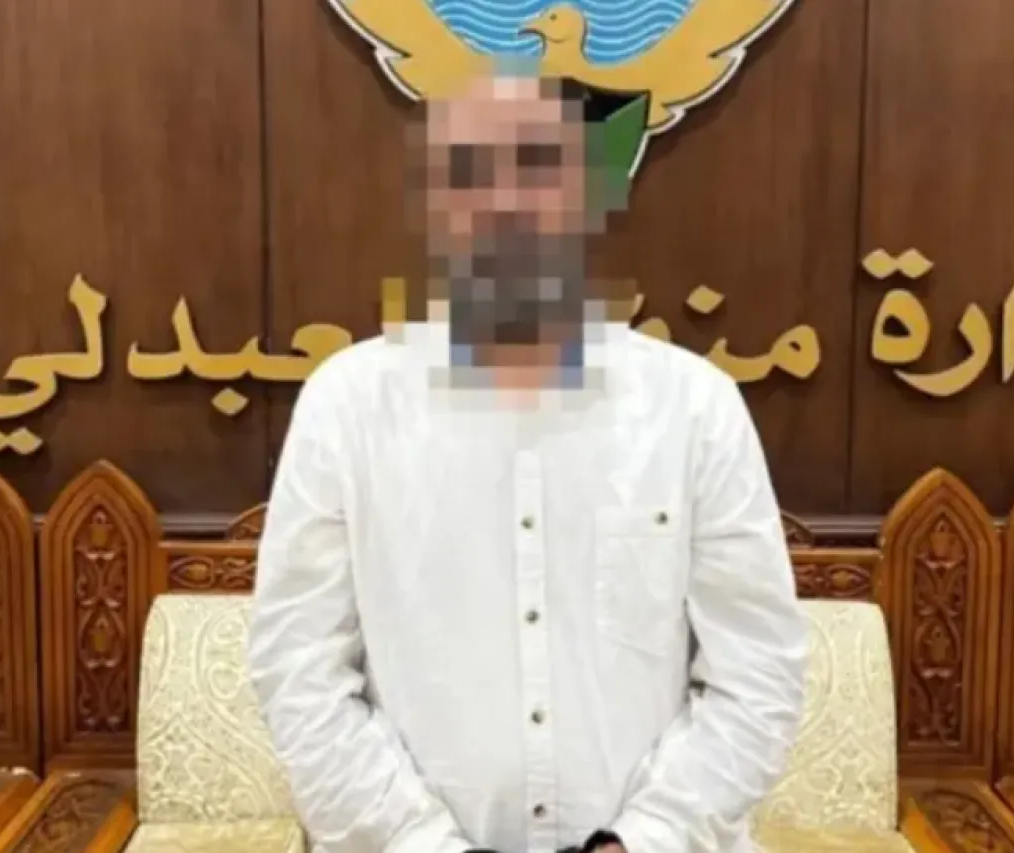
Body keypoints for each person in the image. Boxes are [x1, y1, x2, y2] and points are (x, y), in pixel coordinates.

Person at [247, 71, 808, 853]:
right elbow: (300, 672)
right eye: (470, 171)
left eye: (539, 165)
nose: (505, 202)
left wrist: (642, 840)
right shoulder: (346, 406)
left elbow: (758, 673)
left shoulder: (695, 408)